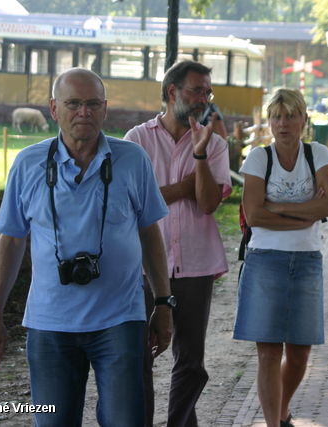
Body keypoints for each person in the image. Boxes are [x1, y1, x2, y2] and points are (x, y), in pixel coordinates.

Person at [0, 67, 173, 427]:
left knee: (125, 422)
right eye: (73, 103)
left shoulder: (132, 160)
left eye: (92, 104)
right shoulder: (28, 164)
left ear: (105, 108)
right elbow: (11, 241)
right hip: (50, 323)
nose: (83, 112)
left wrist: (163, 303)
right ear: (53, 108)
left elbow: (150, 233)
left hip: (120, 319)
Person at [123, 59, 232, 427]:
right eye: (197, 90)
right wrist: (179, 188)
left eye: (207, 92)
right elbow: (130, 205)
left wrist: (198, 156)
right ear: (173, 92)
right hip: (140, 268)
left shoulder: (214, 144)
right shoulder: (136, 141)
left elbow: (207, 202)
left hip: (195, 265)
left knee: (190, 361)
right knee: (137, 356)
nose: (204, 99)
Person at [233, 88, 328, 427]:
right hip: (264, 259)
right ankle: (273, 424)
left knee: (299, 353)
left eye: (291, 116)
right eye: (277, 117)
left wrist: (275, 206)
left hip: (307, 260)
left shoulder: (317, 154)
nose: (284, 123)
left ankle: (281, 410)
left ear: (304, 121)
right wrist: (304, 213)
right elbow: (254, 215)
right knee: (267, 352)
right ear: (269, 122)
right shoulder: (259, 158)